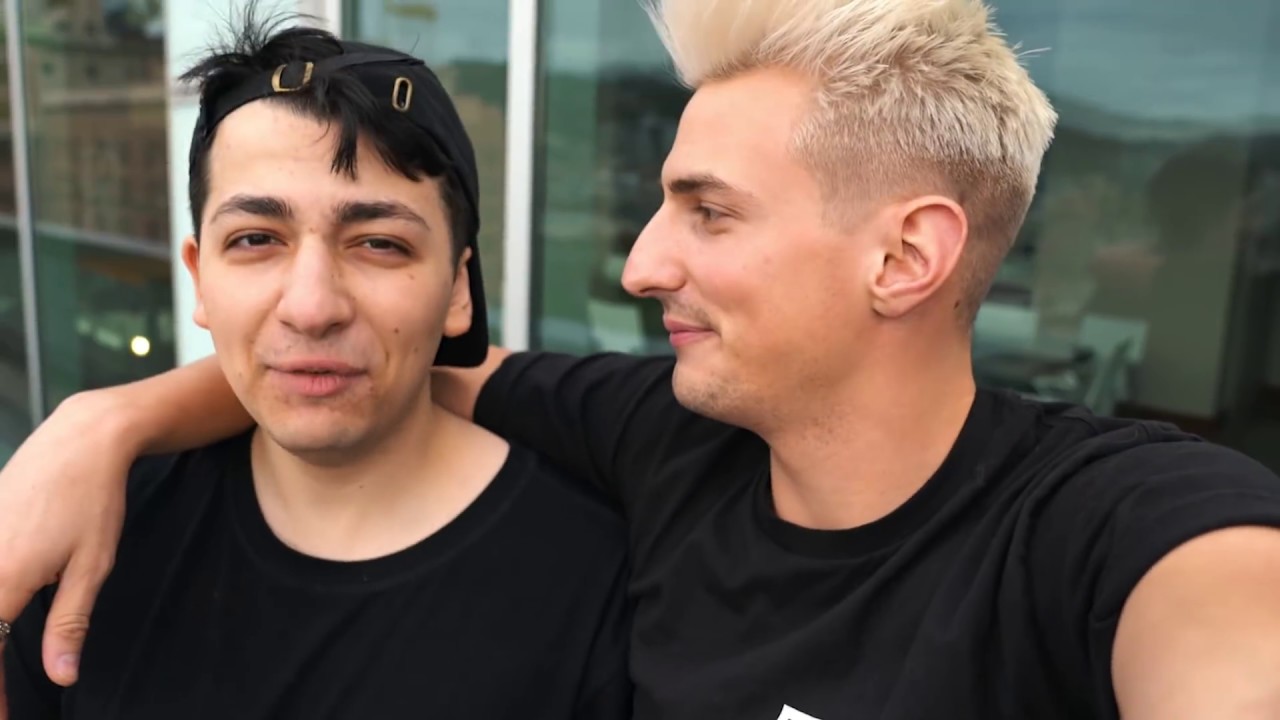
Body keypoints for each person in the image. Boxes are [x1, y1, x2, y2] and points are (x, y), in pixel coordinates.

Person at [3, 0, 1280, 718]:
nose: (639, 265)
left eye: (707, 213)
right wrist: (102, 424)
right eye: (254, 239)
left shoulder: (1112, 524)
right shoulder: (663, 443)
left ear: (903, 257)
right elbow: (380, 363)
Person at [0, 12, 631, 720]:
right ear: (199, 278)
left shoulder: (596, 582)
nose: (311, 307)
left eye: (380, 243)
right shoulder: (93, 522)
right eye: (255, 239)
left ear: (458, 290)